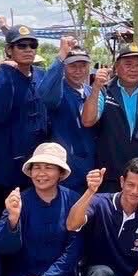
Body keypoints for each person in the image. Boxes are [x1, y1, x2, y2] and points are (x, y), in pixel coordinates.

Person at [0, 142, 82, 276]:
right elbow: (4, 248)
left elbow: (74, 249)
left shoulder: (73, 200)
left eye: (49, 167)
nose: (41, 173)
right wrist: (13, 219)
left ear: (60, 173)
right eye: (37, 167)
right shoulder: (19, 201)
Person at [83, 44, 138, 193]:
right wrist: (96, 88)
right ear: (116, 67)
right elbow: (88, 120)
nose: (134, 69)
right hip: (110, 173)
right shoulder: (105, 90)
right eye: (128, 64)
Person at [0, 25, 49, 202]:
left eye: (32, 45)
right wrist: (6, 72)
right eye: (21, 46)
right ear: (9, 50)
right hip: (8, 163)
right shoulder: (2, 76)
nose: (28, 50)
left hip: (38, 162)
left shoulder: (42, 75)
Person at [40, 37, 101, 192]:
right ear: (64, 68)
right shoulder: (59, 91)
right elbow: (44, 94)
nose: (78, 71)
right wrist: (61, 56)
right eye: (73, 66)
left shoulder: (91, 92)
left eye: (82, 66)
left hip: (91, 170)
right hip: (66, 171)